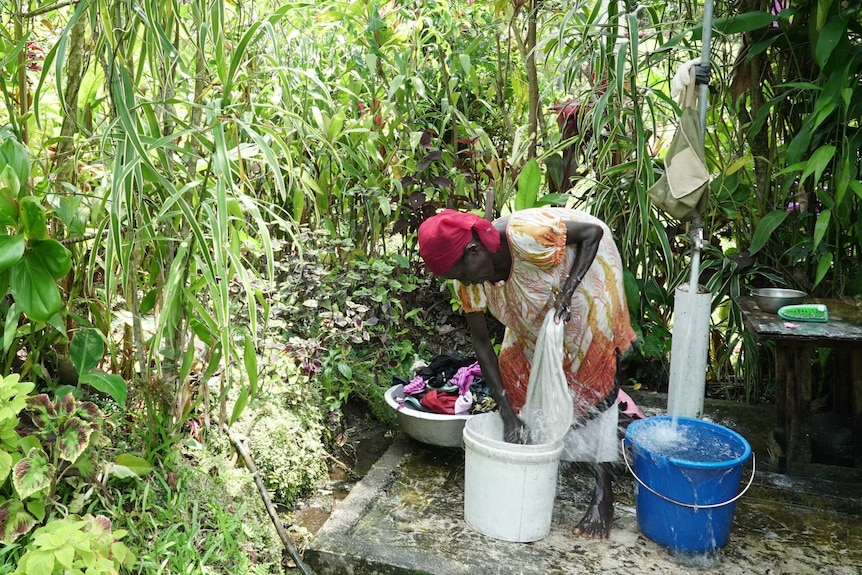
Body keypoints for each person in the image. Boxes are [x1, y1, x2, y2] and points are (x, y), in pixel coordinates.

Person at [417, 207, 639, 539]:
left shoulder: (526, 236)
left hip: (582, 270)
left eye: (462, 274)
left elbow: (592, 236)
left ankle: (603, 490)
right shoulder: (471, 283)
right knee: (516, 366)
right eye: (456, 280)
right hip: (535, 294)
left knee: (589, 369)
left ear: (475, 251)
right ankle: (540, 462)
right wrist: (507, 414)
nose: (464, 284)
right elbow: (481, 344)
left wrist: (567, 291)